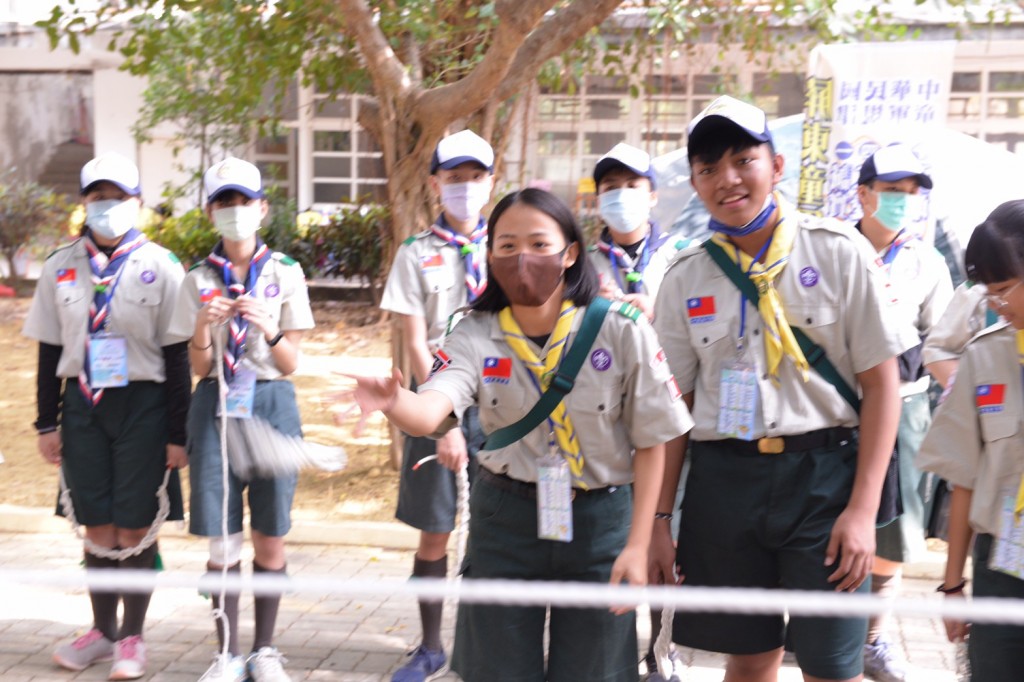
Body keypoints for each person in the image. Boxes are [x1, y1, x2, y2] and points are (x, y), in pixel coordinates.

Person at [346, 187, 692, 681]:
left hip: (599, 522)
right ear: (489, 255)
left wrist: (638, 544)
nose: (522, 258)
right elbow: (431, 410)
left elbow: (654, 438)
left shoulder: (619, 329)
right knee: (497, 670)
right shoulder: (473, 331)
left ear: (571, 252)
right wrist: (394, 401)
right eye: (506, 246)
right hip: (505, 518)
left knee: (593, 670)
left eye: (538, 243)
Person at [651, 96, 915, 682]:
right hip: (726, 483)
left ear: (776, 164)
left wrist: (862, 511)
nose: (728, 179)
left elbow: (882, 384)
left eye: (743, 159)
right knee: (748, 656)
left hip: (825, 480)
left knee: (831, 660)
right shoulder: (683, 277)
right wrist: (659, 520)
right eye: (708, 168)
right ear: (695, 181)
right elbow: (675, 410)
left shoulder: (839, 252)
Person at [23, 152, 190, 680]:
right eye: (98, 197)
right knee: (96, 524)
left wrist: (177, 433)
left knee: (136, 524)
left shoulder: (162, 266)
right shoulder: (60, 265)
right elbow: (50, 349)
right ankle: (102, 631)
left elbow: (178, 354)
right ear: (84, 203)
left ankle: (133, 638)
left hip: (142, 404)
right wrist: (46, 422)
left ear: (137, 202)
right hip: (83, 405)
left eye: (118, 197)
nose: (108, 206)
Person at [168, 157, 314, 682]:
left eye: (244, 202)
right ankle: (226, 653)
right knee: (223, 541)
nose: (235, 212)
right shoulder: (198, 279)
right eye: (224, 203)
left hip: (272, 403)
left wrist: (269, 328)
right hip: (216, 406)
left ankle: (266, 651)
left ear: (262, 208)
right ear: (211, 212)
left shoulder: (286, 272)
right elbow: (201, 368)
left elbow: (293, 362)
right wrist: (205, 328)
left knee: (270, 536)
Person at [377, 129, 491, 681]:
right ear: (434, 184)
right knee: (437, 528)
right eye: (454, 178)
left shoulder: (512, 245)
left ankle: (491, 644)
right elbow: (416, 341)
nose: (464, 188)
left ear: (492, 183)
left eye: (475, 177)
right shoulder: (415, 253)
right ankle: (429, 646)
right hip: (437, 402)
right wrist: (445, 419)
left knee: (503, 525)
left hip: (504, 407)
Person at [852, 143, 953, 682]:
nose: (901, 203)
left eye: (910, 194)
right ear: (863, 194)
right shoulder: (834, 249)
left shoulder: (927, 260)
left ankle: (872, 639)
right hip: (842, 412)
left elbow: (940, 342)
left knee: (896, 533)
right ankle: (819, 631)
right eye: (891, 192)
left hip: (907, 409)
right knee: (829, 517)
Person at [917, 199, 1024, 681]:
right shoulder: (984, 358)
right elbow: (963, 478)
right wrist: (952, 585)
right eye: (989, 293)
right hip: (1003, 560)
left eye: (1004, 290)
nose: (997, 305)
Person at [591, 142, 691, 322]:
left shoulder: (683, 255)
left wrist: (659, 310)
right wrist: (589, 308)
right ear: (599, 202)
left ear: (653, 197)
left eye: (632, 185)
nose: (621, 195)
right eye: (611, 188)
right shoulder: (585, 265)